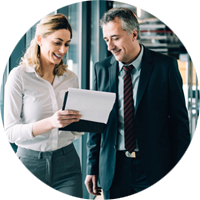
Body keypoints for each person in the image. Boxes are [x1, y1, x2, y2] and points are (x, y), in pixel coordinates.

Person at [85, 7, 191, 199]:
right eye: (106, 39)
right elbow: (96, 125)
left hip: (155, 166)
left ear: (134, 34)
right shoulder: (101, 69)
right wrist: (91, 167)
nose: (110, 46)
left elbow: (179, 124)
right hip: (113, 168)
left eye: (115, 38)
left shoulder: (165, 67)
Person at [4, 14, 83, 198]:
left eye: (67, 43)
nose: (63, 49)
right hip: (30, 164)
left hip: (68, 163)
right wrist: (51, 122)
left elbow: (75, 129)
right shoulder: (19, 76)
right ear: (40, 39)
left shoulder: (71, 78)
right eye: (57, 42)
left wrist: (83, 123)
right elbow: (10, 132)